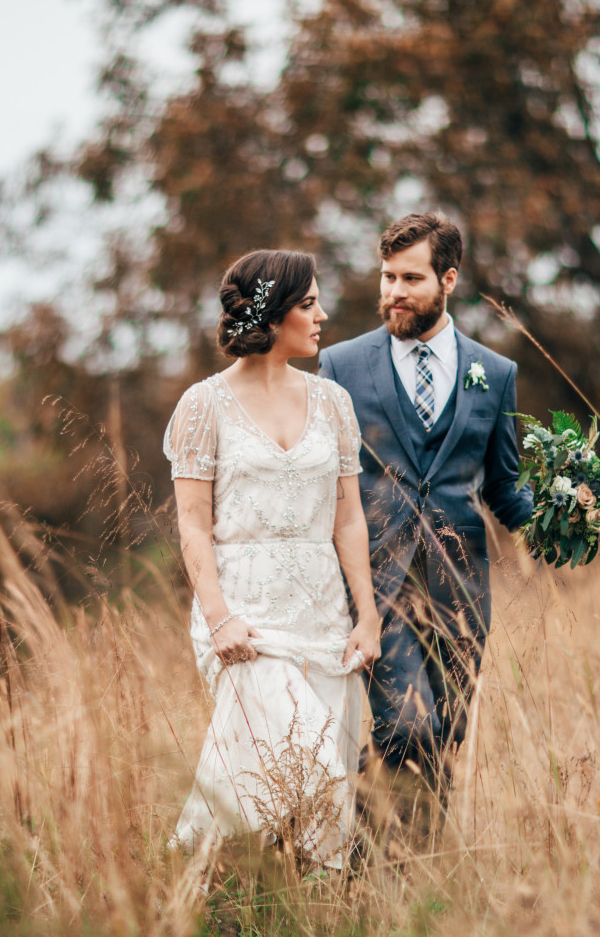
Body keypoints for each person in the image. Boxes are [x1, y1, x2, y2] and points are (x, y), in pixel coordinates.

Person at [164, 249, 381, 868]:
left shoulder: (334, 404)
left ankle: (288, 909)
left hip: (324, 616)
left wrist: (366, 615)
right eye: (310, 304)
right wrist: (219, 618)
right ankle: (199, 881)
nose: (324, 316)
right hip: (246, 619)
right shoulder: (203, 406)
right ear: (275, 313)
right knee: (308, 764)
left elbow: (348, 518)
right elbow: (192, 525)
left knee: (304, 794)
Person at [318, 213, 533, 833]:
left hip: (461, 591)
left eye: (410, 278)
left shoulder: (495, 374)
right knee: (406, 723)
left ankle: (411, 877)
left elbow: (502, 486)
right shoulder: (340, 365)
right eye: (387, 277)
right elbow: (322, 480)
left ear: (449, 279)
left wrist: (557, 522)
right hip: (375, 584)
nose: (393, 292)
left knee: (445, 737)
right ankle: (369, 861)